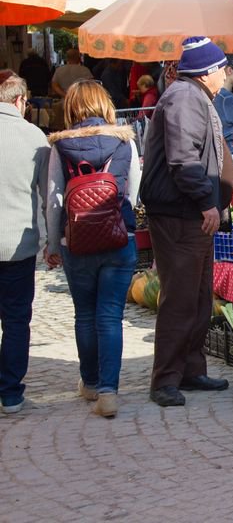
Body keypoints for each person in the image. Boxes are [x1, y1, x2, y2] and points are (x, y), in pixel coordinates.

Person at [139, 37, 233, 407]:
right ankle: (165, 379)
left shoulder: (193, 96)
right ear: (208, 71)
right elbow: (183, 160)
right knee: (180, 297)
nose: (225, 75)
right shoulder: (183, 98)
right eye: (222, 69)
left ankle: (191, 369)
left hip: (192, 213)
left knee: (197, 296)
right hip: (181, 213)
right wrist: (206, 202)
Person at [45, 80, 140, 418]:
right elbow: (133, 195)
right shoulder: (124, 141)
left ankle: (89, 383)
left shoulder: (61, 147)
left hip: (77, 241)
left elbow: (54, 200)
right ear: (105, 104)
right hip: (119, 238)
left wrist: (53, 243)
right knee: (110, 315)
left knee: (85, 313)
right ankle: (109, 393)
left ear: (72, 108)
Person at [0, 70, 50, 414]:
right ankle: (10, 393)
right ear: (20, 101)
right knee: (16, 319)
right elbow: (46, 194)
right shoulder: (34, 136)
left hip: (18, 241)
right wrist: (50, 242)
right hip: (17, 242)